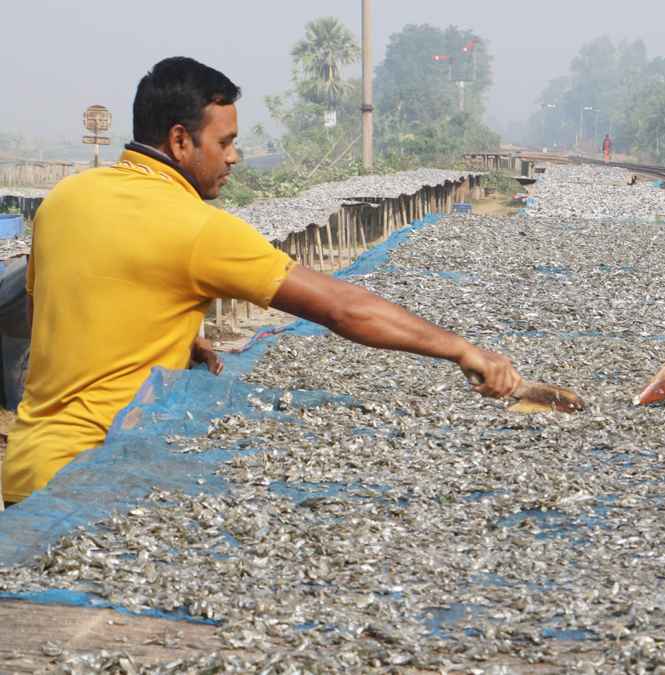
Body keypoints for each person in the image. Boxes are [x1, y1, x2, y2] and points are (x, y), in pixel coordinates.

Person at [1, 57, 522, 505]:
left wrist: (169, 334)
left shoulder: (65, 199)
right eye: (225, 142)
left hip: (27, 469)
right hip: (96, 477)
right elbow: (343, 308)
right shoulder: (200, 229)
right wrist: (461, 350)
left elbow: (43, 318)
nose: (233, 157)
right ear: (180, 140)